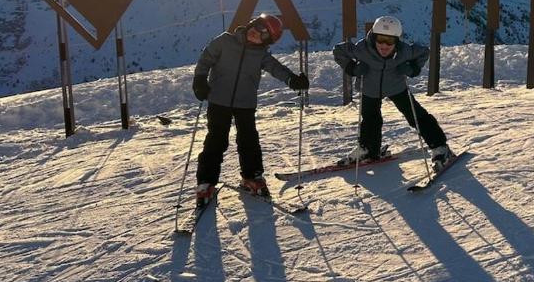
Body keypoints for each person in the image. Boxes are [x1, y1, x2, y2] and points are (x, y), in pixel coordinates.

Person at [192, 13, 309, 204]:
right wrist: (199, 80)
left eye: (264, 35)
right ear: (252, 23)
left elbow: (276, 68)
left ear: (268, 41)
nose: (258, 34)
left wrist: (293, 80)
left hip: (245, 103)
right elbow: (206, 58)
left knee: (249, 140)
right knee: (216, 140)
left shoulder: (261, 55)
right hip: (218, 99)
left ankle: (252, 176)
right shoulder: (225, 41)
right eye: (258, 27)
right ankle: (206, 183)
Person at [333, 15, 452, 169]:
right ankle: (369, 149)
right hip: (370, 89)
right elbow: (339, 51)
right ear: (373, 37)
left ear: (397, 41)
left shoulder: (404, 51)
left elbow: (423, 52)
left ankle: (439, 146)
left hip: (397, 87)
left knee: (415, 115)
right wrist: (352, 68)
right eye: (380, 39)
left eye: (390, 41)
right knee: (370, 119)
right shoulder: (362, 49)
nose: (384, 45)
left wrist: (412, 69)